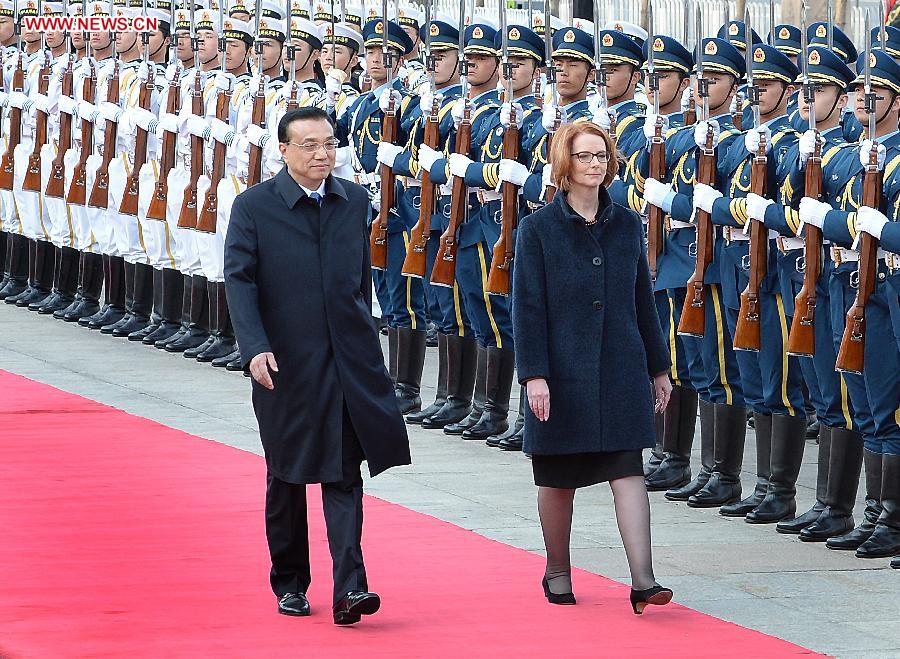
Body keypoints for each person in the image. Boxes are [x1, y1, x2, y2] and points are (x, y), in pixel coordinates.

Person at [224, 107, 411, 624]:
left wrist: (367, 340)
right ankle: (290, 581)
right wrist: (254, 347)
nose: (322, 154)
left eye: (328, 143)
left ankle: (351, 587)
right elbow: (239, 282)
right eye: (308, 145)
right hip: (283, 363)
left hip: (346, 360)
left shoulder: (353, 200)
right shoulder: (254, 207)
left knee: (344, 471)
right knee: (287, 475)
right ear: (283, 151)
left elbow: (358, 280)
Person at [512, 120, 673, 614]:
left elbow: (642, 299)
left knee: (628, 470)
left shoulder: (626, 223)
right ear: (565, 163)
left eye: (601, 156)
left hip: (620, 367)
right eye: (584, 157)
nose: (595, 165)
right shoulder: (537, 229)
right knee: (558, 477)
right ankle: (557, 570)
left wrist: (658, 367)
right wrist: (534, 375)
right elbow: (528, 307)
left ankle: (643, 581)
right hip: (562, 371)